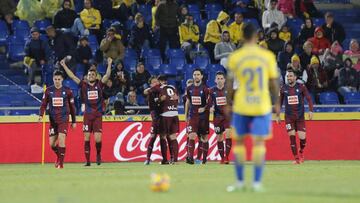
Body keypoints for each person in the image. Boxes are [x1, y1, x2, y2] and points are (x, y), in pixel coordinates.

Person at [226, 23, 280, 192]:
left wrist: (228, 103)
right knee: (259, 144)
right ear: (257, 36)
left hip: (242, 104)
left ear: (242, 36)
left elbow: (229, 83)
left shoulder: (235, 56)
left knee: (239, 143)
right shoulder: (267, 56)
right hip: (262, 105)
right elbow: (273, 82)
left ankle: (240, 182)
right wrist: (277, 102)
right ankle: (257, 183)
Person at [60, 57, 113, 166]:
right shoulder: (83, 85)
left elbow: (107, 75)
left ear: (96, 76)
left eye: (93, 75)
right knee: (86, 138)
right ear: (87, 77)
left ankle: (98, 155)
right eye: (89, 75)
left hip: (97, 115)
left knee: (98, 139)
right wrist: (64, 66)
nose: (91, 76)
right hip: (87, 116)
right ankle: (88, 161)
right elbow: (72, 76)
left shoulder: (99, 84)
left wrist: (109, 64)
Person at [39, 70, 76, 169]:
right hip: (53, 120)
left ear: (62, 79)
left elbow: (72, 107)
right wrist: (40, 115)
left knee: (61, 139)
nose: (57, 81)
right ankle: (59, 157)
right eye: (55, 79)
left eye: (59, 79)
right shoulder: (48, 91)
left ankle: (61, 164)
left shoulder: (68, 91)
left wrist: (74, 121)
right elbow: (43, 104)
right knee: (52, 144)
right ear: (53, 79)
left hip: (64, 119)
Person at [277, 69, 313, 164]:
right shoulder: (283, 88)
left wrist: (311, 110)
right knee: (292, 137)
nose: (289, 77)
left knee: (303, 139)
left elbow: (309, 98)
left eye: (291, 76)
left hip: (300, 117)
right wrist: (277, 115)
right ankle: (297, 159)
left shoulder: (301, 87)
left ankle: (301, 151)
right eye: (288, 76)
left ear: (295, 77)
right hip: (289, 118)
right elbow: (279, 103)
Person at [185, 68, 211, 164]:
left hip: (203, 116)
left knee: (203, 138)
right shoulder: (189, 89)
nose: (196, 76)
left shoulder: (206, 89)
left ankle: (203, 159)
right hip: (193, 116)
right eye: (195, 74)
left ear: (201, 76)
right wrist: (186, 115)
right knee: (191, 135)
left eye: (198, 74)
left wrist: (204, 108)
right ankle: (190, 158)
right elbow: (188, 102)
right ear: (193, 76)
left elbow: (210, 102)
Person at [143, 76, 167, 164]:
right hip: (156, 117)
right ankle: (148, 159)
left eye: (156, 82)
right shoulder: (151, 92)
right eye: (153, 82)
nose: (155, 83)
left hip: (163, 116)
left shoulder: (162, 90)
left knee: (162, 137)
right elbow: (145, 92)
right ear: (150, 84)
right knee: (152, 137)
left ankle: (165, 159)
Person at [209, 72, 231, 164]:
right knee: (219, 137)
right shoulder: (211, 91)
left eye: (221, 78)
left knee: (228, 134)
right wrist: (210, 107)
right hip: (217, 117)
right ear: (215, 80)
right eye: (218, 78)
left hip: (227, 116)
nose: (220, 80)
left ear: (224, 80)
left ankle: (226, 157)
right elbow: (209, 103)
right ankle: (222, 158)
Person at [158, 75, 180, 164]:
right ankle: (174, 160)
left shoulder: (159, 89)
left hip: (165, 114)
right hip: (174, 113)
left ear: (160, 81)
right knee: (173, 137)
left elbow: (158, 101)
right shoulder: (173, 88)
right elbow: (177, 100)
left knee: (163, 136)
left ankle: (165, 160)